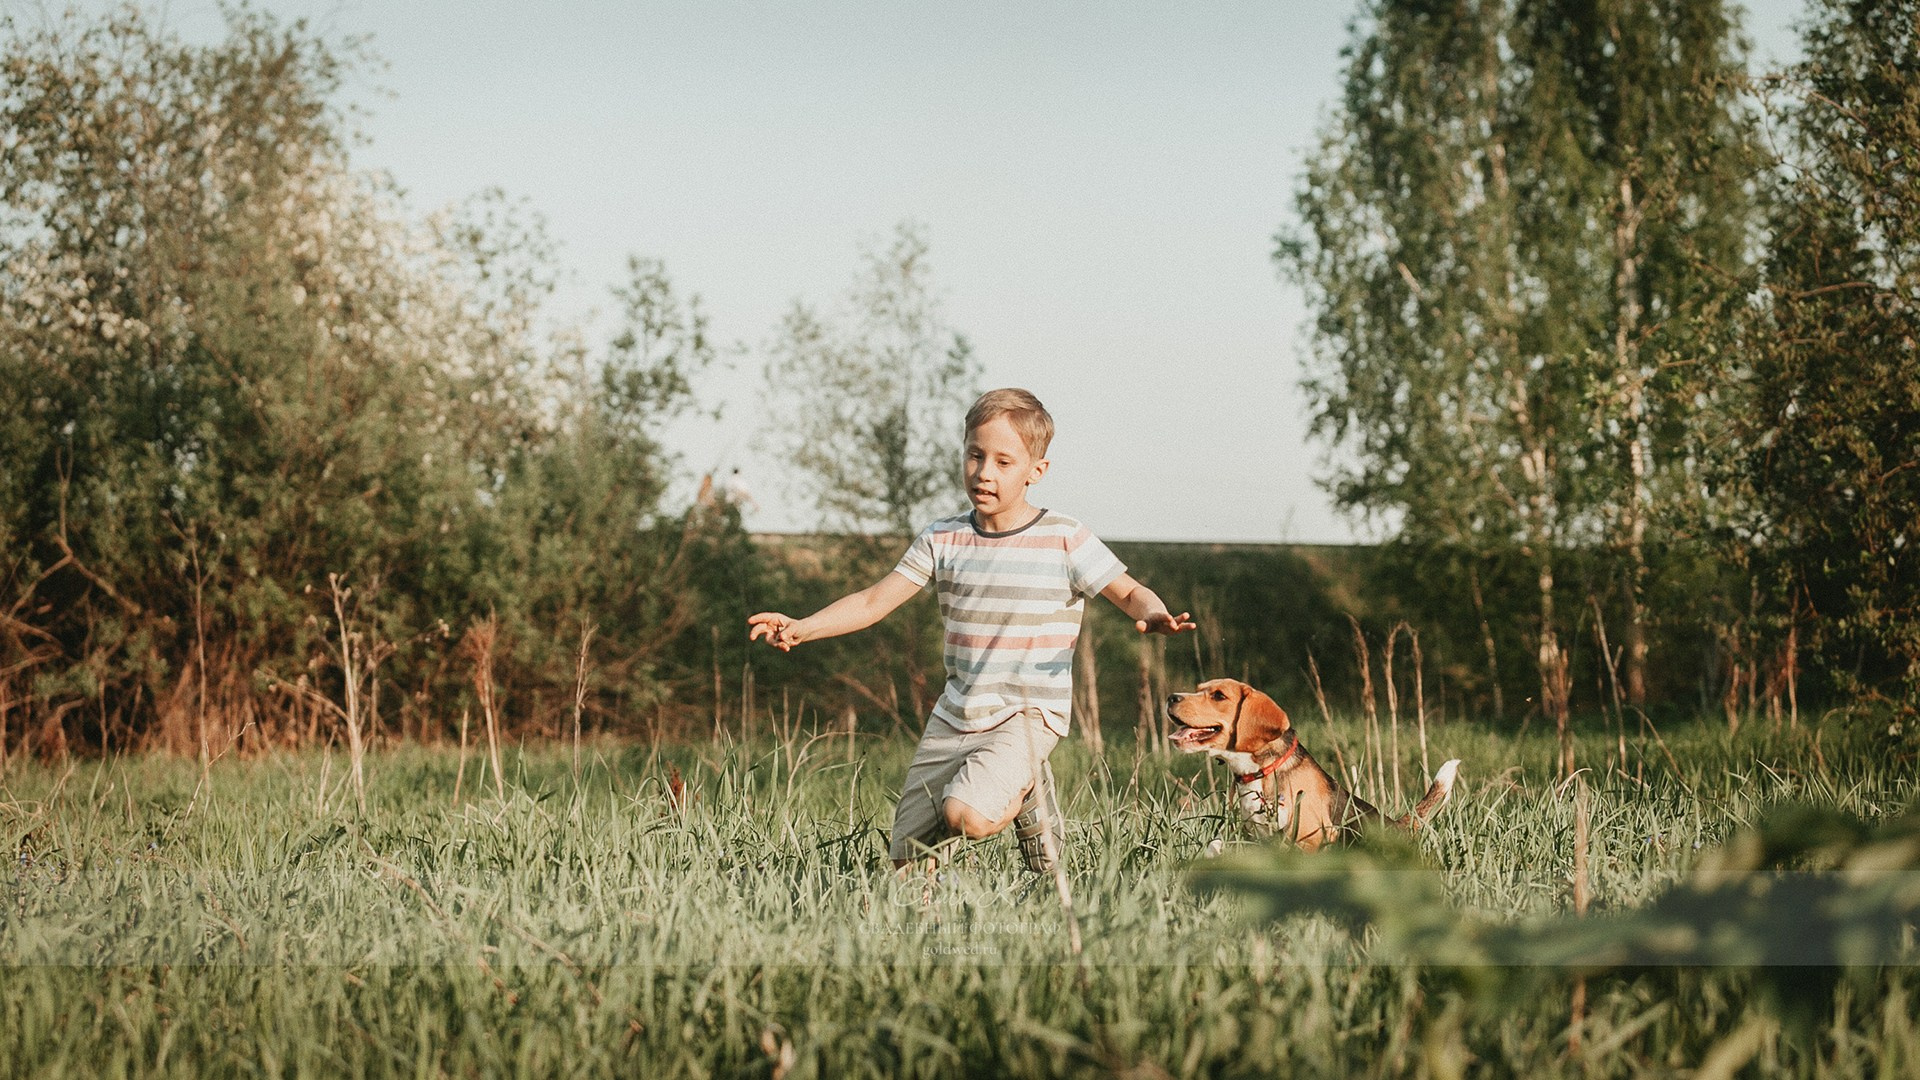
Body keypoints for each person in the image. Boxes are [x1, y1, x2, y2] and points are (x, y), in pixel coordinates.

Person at [747, 388, 1194, 872]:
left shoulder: (1064, 537)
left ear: (1035, 472)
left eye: (1004, 462)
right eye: (975, 456)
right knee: (906, 866)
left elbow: (1128, 592)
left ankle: (1028, 792)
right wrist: (803, 627)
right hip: (957, 712)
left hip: (1028, 713)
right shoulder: (943, 537)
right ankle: (930, 928)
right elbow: (874, 600)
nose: (984, 472)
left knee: (967, 816)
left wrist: (1151, 613)